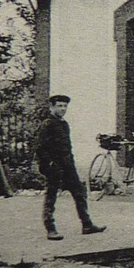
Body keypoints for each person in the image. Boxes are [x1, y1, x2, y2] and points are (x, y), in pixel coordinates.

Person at [33, 94, 104, 241]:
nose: (62, 109)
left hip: (67, 166)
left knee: (79, 193)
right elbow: (40, 148)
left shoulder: (64, 125)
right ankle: (50, 229)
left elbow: (67, 148)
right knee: (51, 196)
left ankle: (87, 224)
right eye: (59, 106)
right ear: (52, 107)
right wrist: (49, 165)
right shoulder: (47, 124)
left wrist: (71, 165)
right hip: (54, 167)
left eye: (65, 106)